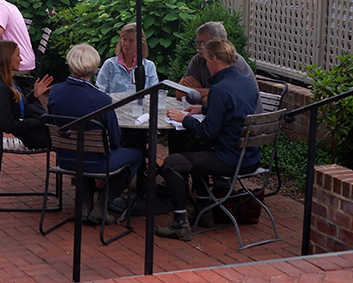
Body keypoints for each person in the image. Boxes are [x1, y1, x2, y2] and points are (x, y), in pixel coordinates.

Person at [157, 39, 260, 242]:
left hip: (230, 159)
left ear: (214, 60)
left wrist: (184, 119)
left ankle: (180, 224)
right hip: (250, 157)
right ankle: (204, 211)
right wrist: (203, 109)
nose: (204, 64)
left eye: (206, 60)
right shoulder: (245, 82)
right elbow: (235, 111)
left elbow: (209, 132)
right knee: (196, 148)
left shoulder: (220, 90)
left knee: (171, 164)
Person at [49, 44, 144, 221]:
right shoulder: (102, 99)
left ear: (70, 64)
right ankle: (102, 205)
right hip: (96, 162)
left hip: (65, 159)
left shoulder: (55, 91)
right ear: (94, 68)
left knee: (83, 150)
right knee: (136, 155)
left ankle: (85, 205)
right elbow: (114, 140)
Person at [0, 40, 52, 151]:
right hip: (33, 135)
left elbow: (17, 107)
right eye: (18, 55)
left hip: (37, 128)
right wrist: (39, 120)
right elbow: (8, 125)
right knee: (73, 137)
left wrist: (34, 95)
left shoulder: (4, 81)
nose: (21, 59)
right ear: (7, 58)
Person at [178, 21, 257, 104]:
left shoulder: (232, 63)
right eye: (197, 42)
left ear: (217, 44)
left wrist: (198, 92)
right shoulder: (198, 59)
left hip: (248, 116)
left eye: (203, 43)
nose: (198, 47)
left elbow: (223, 103)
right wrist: (209, 93)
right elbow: (179, 93)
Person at [96, 23, 159, 95]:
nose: (126, 44)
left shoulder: (149, 66)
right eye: (124, 39)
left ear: (140, 43)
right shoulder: (110, 64)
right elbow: (100, 90)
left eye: (131, 40)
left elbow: (154, 92)